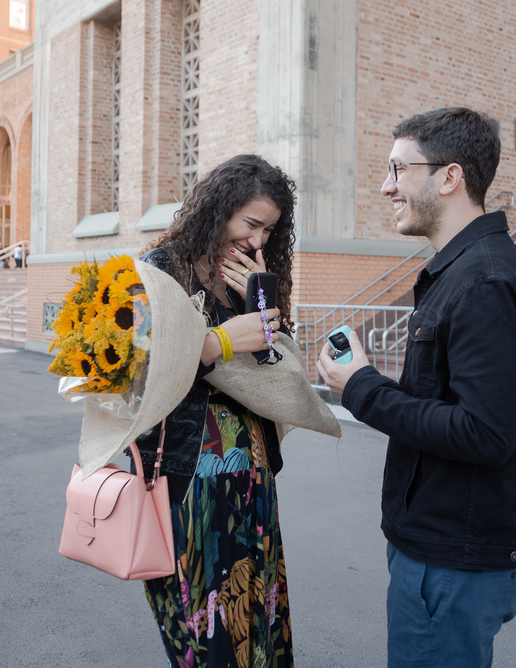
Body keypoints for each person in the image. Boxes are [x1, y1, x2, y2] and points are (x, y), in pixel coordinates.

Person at [317, 107, 516, 668]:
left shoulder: (484, 280)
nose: (386, 186)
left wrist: (362, 388)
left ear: (449, 177)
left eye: (399, 170)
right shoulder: (465, 270)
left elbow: (484, 432)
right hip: (443, 549)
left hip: (453, 558)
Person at [134, 154, 296, 667]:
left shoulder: (251, 276)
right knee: (204, 626)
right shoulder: (163, 268)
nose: (257, 241)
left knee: (258, 616)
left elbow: (272, 370)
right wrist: (220, 340)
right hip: (188, 477)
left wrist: (260, 298)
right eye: (251, 224)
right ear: (218, 210)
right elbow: (137, 373)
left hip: (251, 476)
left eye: (269, 231)